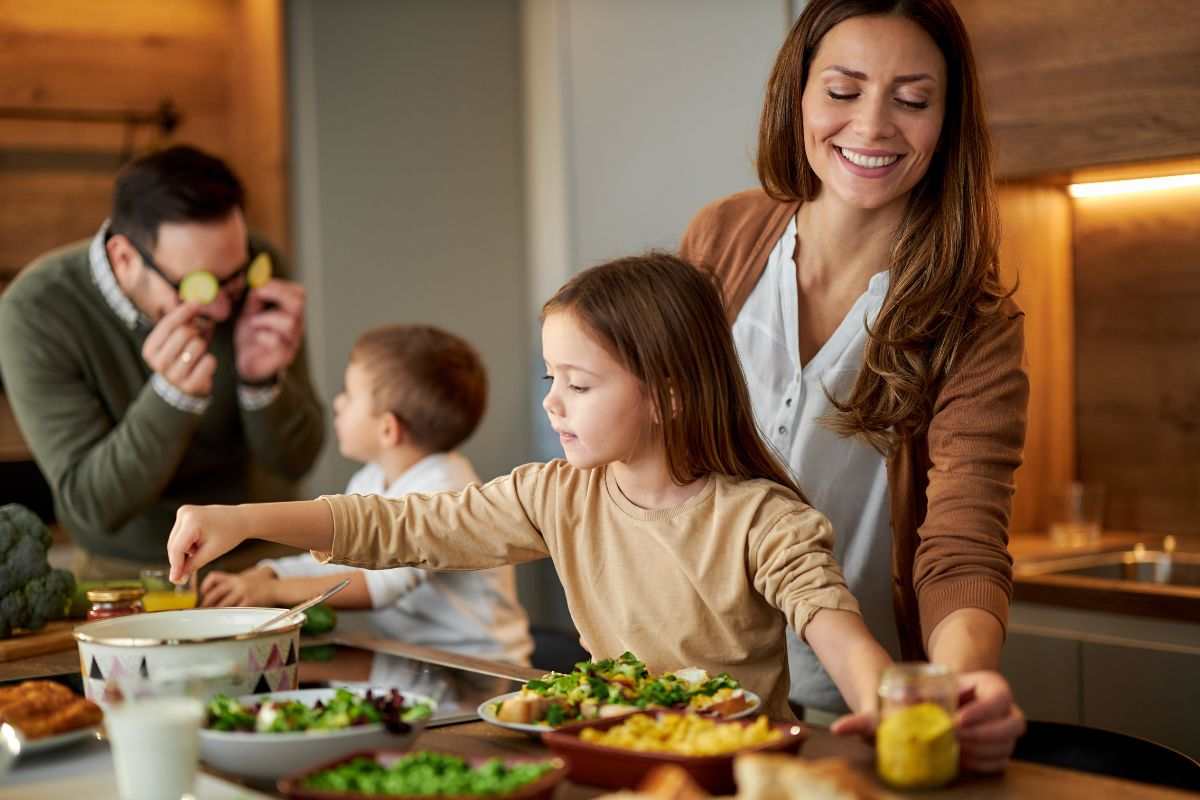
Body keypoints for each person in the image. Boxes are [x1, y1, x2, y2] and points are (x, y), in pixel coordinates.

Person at [165, 253, 893, 722]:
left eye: (578, 384)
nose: (552, 402)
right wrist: (241, 519)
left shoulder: (761, 519)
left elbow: (836, 629)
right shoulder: (556, 496)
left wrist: (887, 714)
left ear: (668, 396)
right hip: (606, 755)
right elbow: (398, 527)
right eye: (553, 378)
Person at [679, 0, 1026, 772]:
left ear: (947, 120)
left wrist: (961, 684)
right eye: (842, 91)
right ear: (797, 96)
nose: (872, 127)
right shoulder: (721, 242)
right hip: (689, 693)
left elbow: (962, 542)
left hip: (854, 712)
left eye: (912, 100)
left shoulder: (974, 319)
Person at [0, 146, 324, 578]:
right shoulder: (35, 310)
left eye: (235, 280)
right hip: (130, 575)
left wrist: (260, 385)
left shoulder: (255, 269)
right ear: (125, 258)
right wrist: (171, 397)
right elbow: (93, 505)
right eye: (200, 285)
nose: (225, 309)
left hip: (263, 562)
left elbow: (296, 462)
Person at [200, 324, 533, 665]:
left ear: (388, 429)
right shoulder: (371, 478)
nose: (337, 402)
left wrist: (271, 592)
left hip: (479, 666)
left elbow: (379, 586)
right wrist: (270, 573)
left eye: (349, 393)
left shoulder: (446, 488)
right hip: (414, 661)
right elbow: (340, 555)